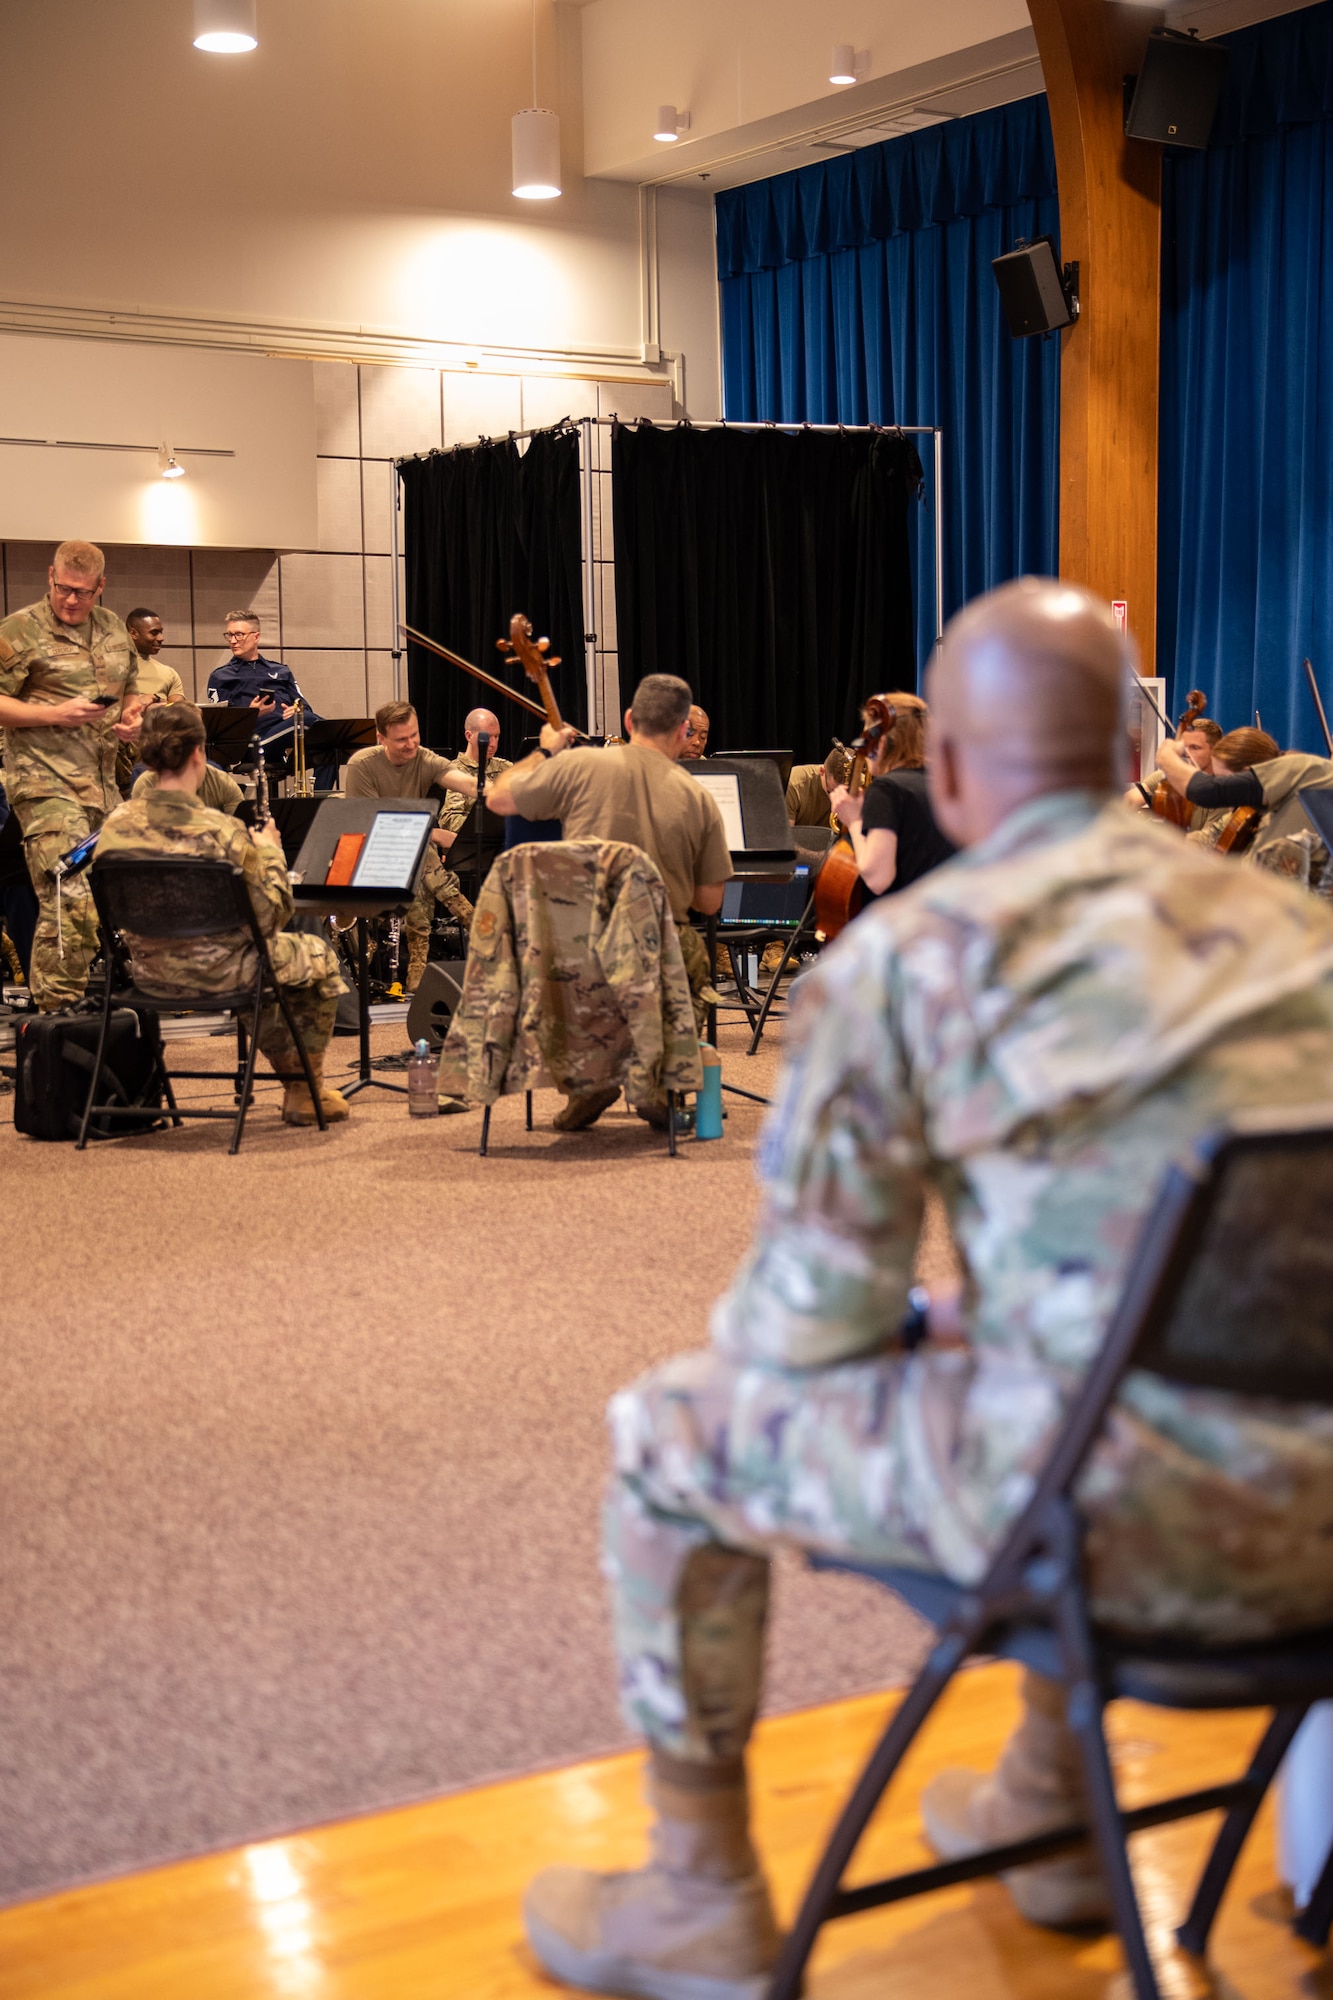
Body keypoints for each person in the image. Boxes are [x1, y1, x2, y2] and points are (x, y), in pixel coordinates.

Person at [521, 579, 1333, 2000]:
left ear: (944, 768)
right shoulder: (1303, 942)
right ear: (1133, 759)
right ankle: (1048, 1805)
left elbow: (804, 1334)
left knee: (671, 1432)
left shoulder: (913, 962)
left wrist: (937, 1322)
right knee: (1058, 1378)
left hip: (1137, 1539)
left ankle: (698, 1897)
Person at [486, 673, 732, 1128]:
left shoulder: (579, 766)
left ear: (628, 719)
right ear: (684, 730)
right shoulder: (699, 798)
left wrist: (545, 750)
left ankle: (589, 1082)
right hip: (655, 959)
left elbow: (497, 797)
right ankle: (658, 1079)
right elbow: (710, 903)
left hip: (575, 955)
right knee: (694, 953)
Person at [95, 704, 349, 1126]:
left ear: (146, 756)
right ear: (199, 754)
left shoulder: (116, 824)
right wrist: (270, 849)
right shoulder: (220, 830)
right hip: (222, 975)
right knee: (314, 956)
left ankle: (302, 1089)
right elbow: (271, 916)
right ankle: (304, 1091)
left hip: (148, 976)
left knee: (266, 962)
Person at [0, 539, 144, 1010]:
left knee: (118, 894)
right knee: (70, 895)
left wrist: (132, 716)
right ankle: (54, 1017)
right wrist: (52, 714)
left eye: (83, 592)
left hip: (102, 789)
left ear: (101, 587)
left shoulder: (113, 630)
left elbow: (131, 689)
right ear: (50, 577)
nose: (71, 600)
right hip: (43, 785)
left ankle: (94, 1010)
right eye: (64, 588)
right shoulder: (19, 630)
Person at [343, 699, 482, 993]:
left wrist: (507, 793)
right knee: (425, 853)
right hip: (370, 851)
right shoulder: (362, 765)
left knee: (421, 858)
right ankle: (480, 926)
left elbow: (466, 783)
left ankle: (418, 972)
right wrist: (433, 834)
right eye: (402, 739)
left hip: (412, 850)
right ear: (381, 738)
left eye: (414, 735)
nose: (411, 744)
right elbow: (374, 823)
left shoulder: (424, 758)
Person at [1157, 725, 1333, 879]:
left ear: (1245, 775)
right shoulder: (1249, 812)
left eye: (1224, 779)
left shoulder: (1309, 771)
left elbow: (1207, 791)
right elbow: (1206, 838)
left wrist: (1167, 757)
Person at [827, 691, 956, 897]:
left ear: (882, 742)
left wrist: (854, 820)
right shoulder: (943, 785)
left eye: (866, 738)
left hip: (904, 921)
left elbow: (878, 878)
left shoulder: (887, 789)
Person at [205, 610, 333, 788]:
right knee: (316, 724)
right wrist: (251, 714)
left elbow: (305, 707)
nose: (233, 641)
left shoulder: (281, 671)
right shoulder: (221, 677)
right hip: (252, 744)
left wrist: (296, 710)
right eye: (229, 635)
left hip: (285, 736)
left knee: (330, 745)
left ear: (256, 637)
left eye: (239, 635)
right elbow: (220, 728)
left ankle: (318, 805)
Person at [124, 609, 186, 705]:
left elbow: (178, 712)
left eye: (161, 632)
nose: (161, 638)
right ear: (133, 633)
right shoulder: (108, 668)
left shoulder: (169, 673)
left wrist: (155, 700)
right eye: (154, 633)